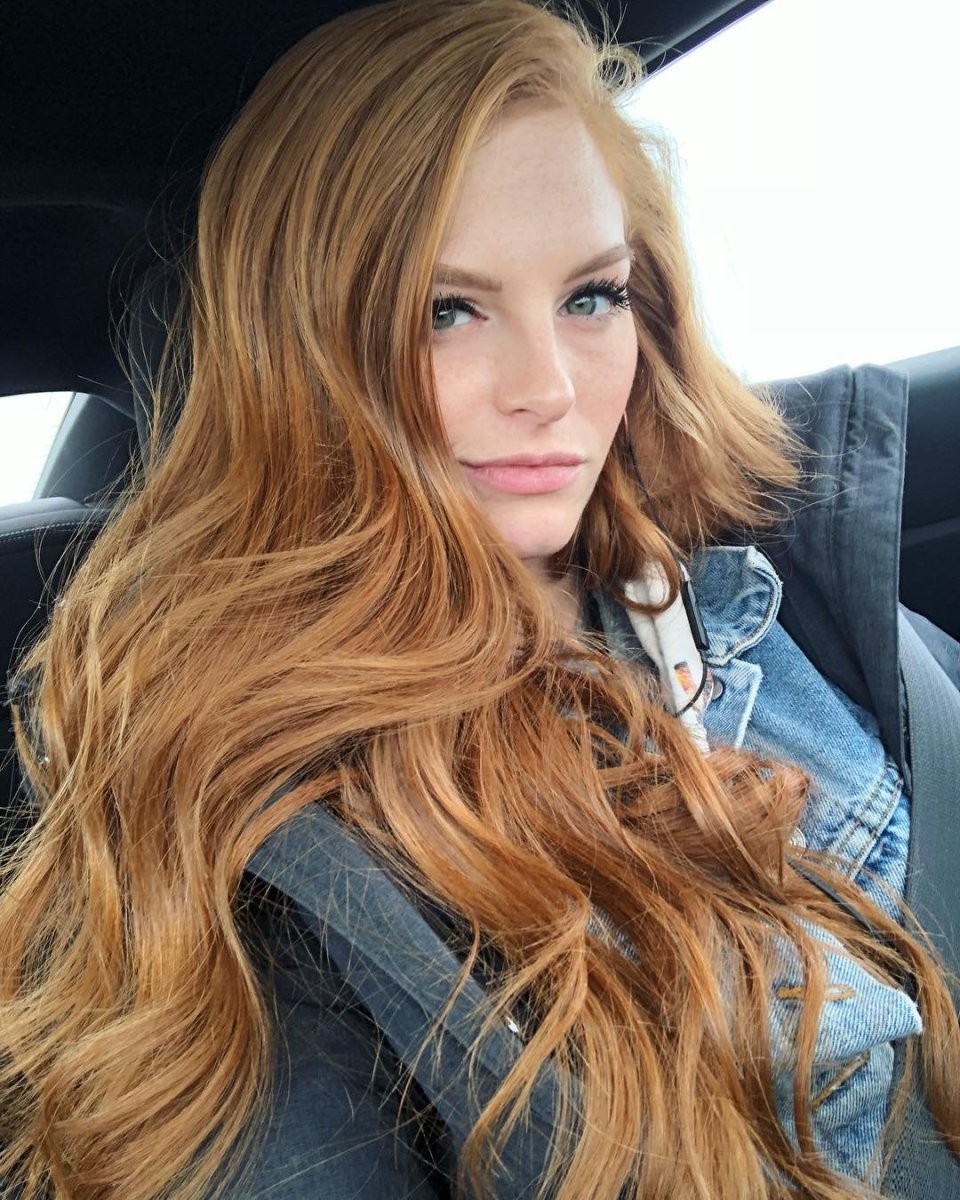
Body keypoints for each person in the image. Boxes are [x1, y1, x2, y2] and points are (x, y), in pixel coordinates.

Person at [1, 1, 958, 1197]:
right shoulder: (263, 833)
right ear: (301, 354)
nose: (546, 387)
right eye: (446, 311)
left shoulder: (765, 582)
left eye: (591, 295)